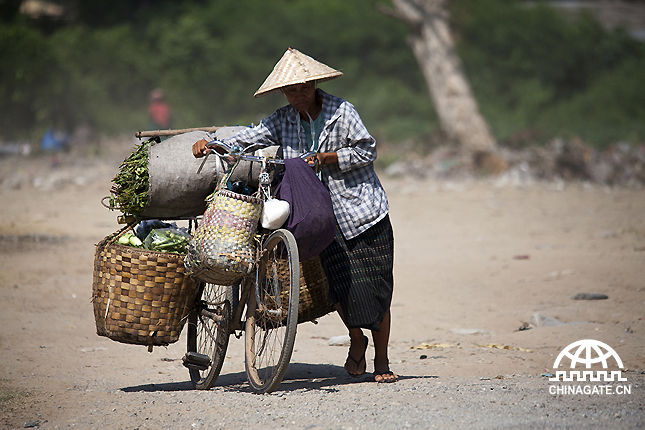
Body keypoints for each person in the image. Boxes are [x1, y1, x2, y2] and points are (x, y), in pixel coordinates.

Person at [192, 48, 397, 383]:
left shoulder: (342, 112)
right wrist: (212, 143)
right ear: (284, 93)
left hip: (363, 211)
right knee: (340, 287)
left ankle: (382, 361)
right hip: (319, 216)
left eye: (303, 88)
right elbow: (250, 137)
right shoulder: (282, 119)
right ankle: (356, 339)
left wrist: (326, 158)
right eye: (291, 91)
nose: (298, 95)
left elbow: (366, 150)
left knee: (378, 288)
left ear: (314, 84)